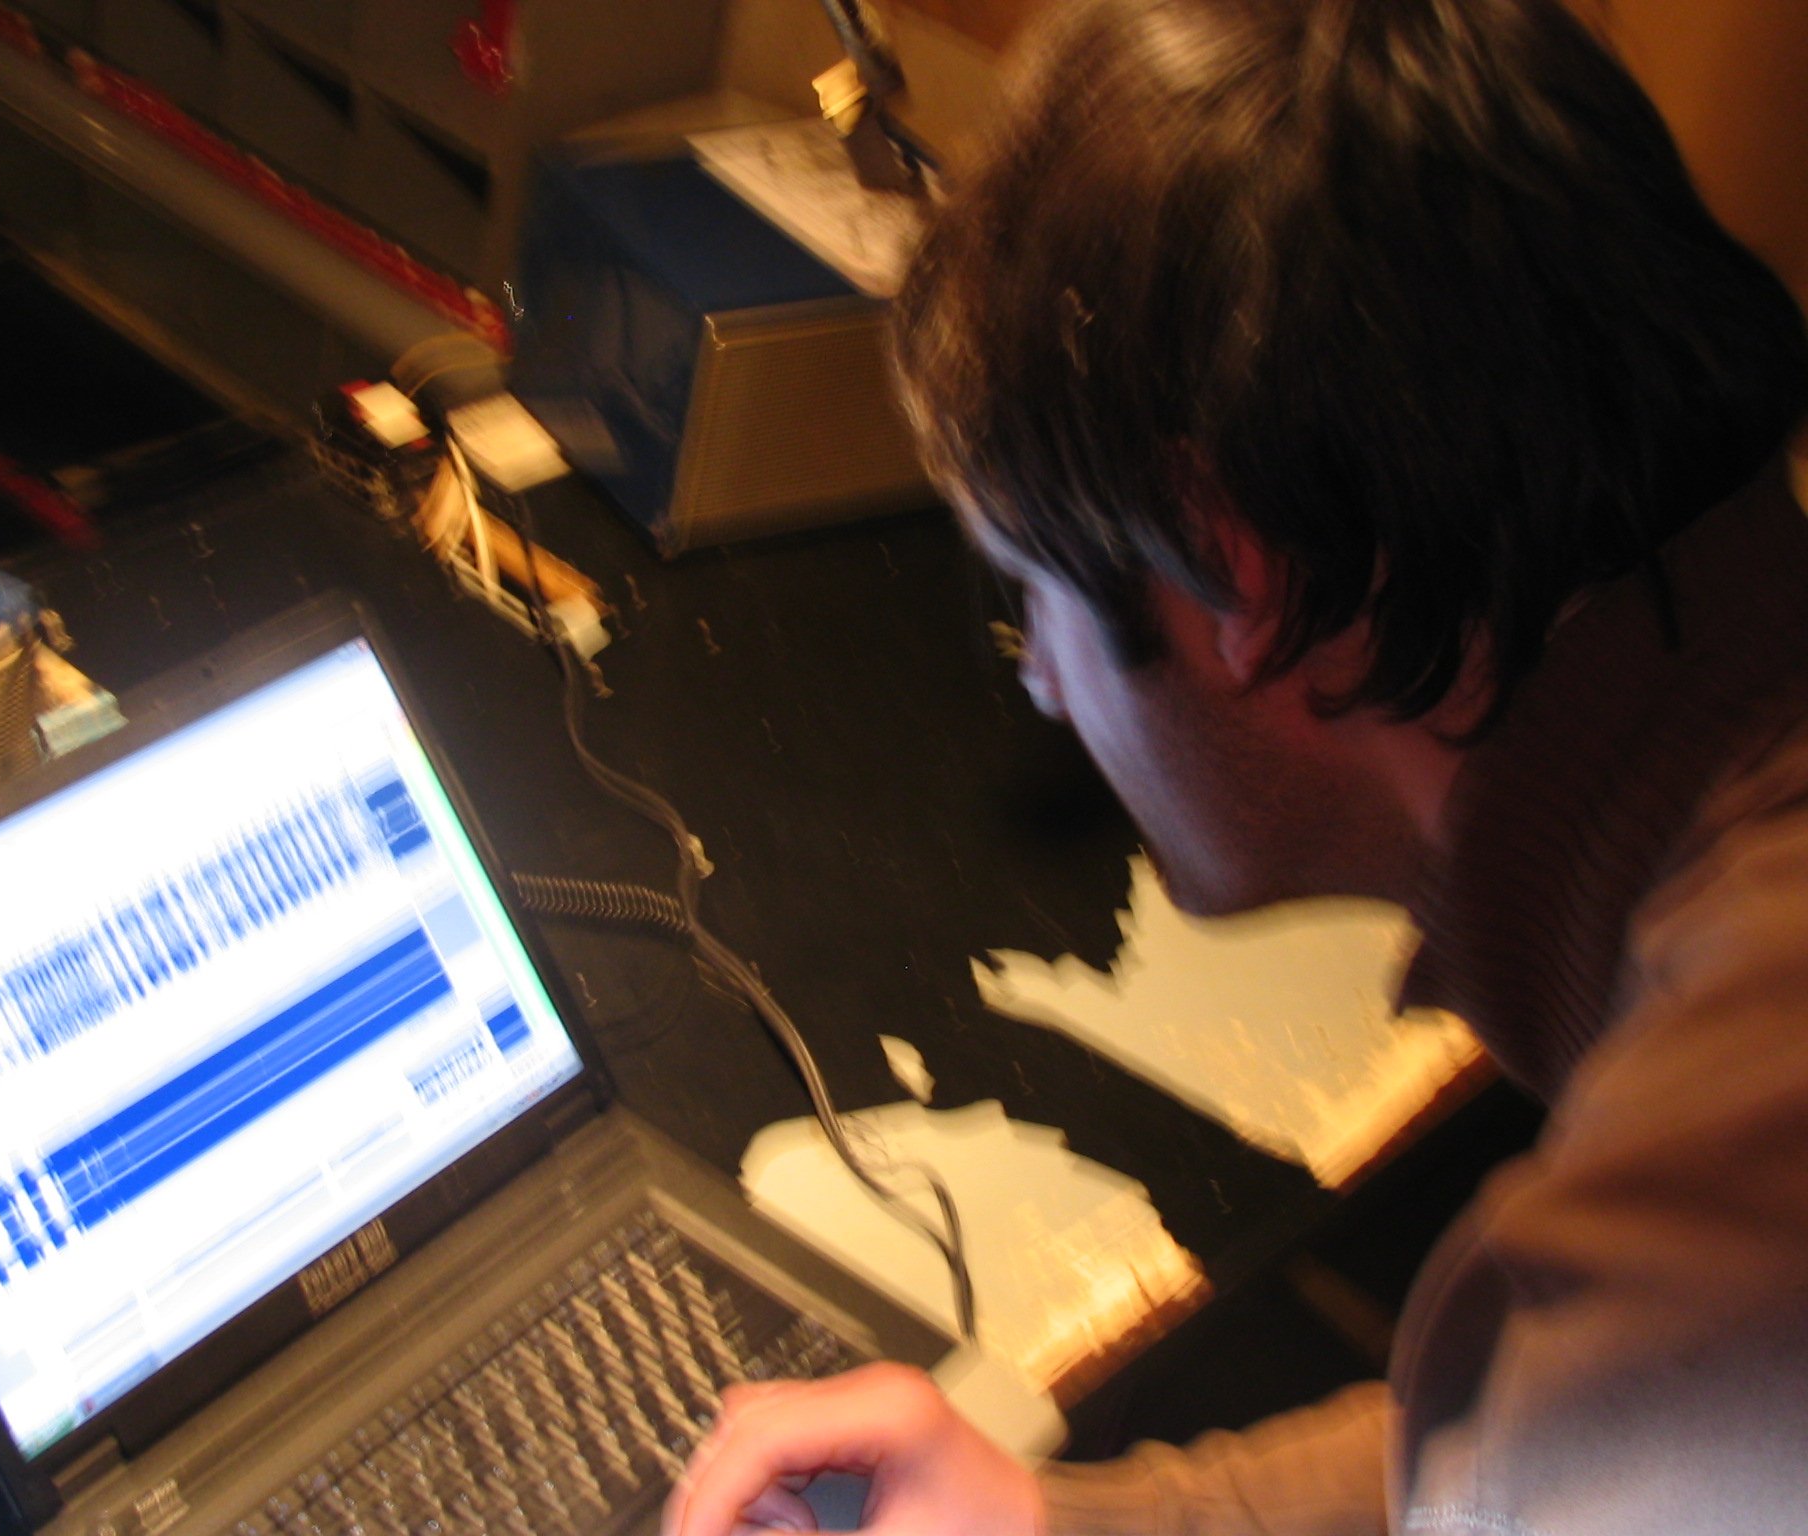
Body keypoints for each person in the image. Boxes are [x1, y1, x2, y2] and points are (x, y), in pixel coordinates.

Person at [663, 0, 1808, 1531]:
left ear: (1238, 576)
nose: (1046, 685)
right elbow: (1504, 1444)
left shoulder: (1706, 1252)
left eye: (1033, 592)